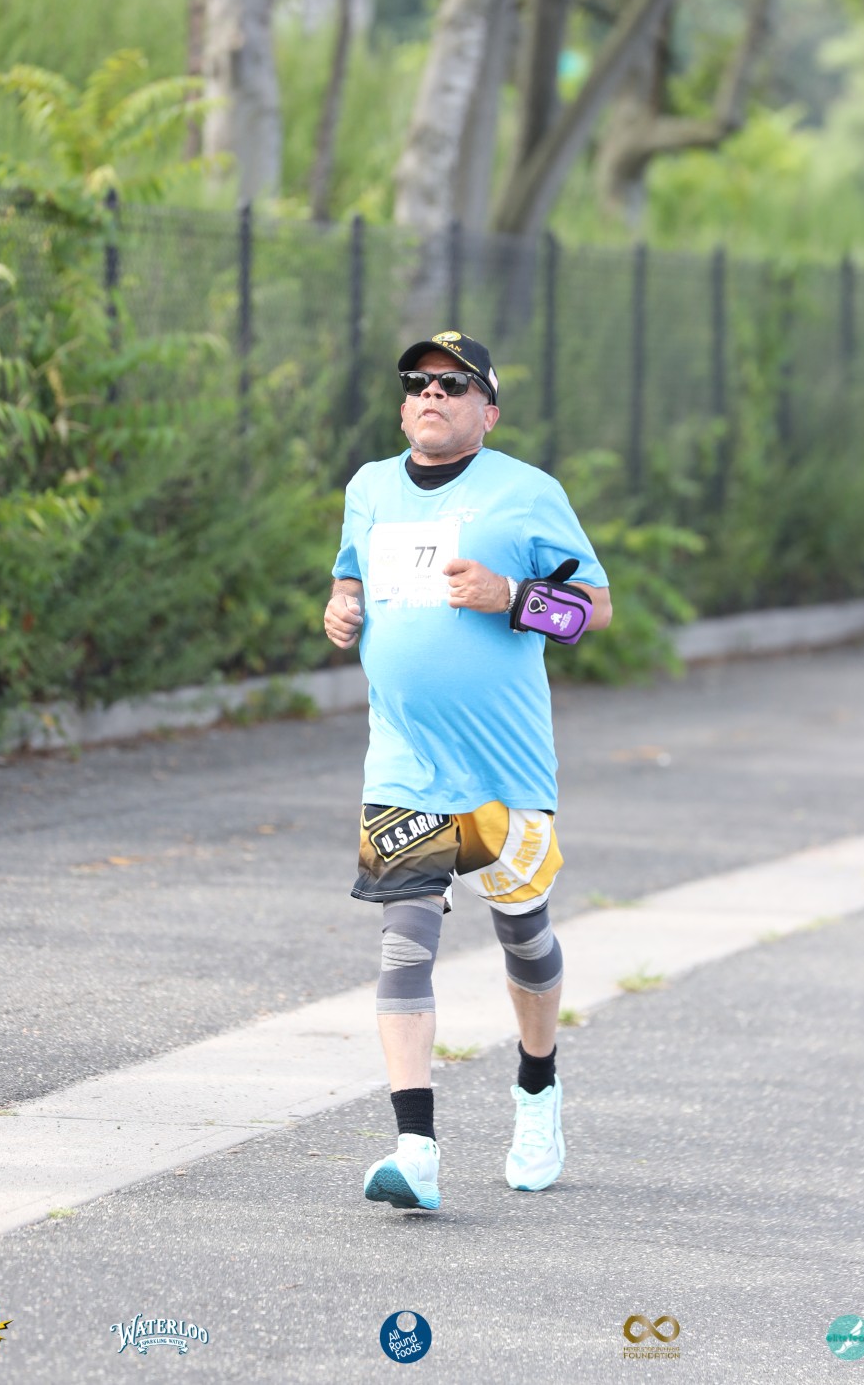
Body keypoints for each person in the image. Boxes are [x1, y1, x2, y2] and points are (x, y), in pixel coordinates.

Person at [323, 329, 612, 1212]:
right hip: (405, 762)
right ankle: (415, 1149)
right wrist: (340, 605)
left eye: (454, 384)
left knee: (523, 934)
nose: (432, 395)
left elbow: (596, 612)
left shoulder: (527, 493)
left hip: (503, 770)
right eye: (419, 382)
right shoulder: (369, 489)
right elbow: (349, 578)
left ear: (488, 410)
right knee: (405, 943)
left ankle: (537, 1086)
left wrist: (512, 596)